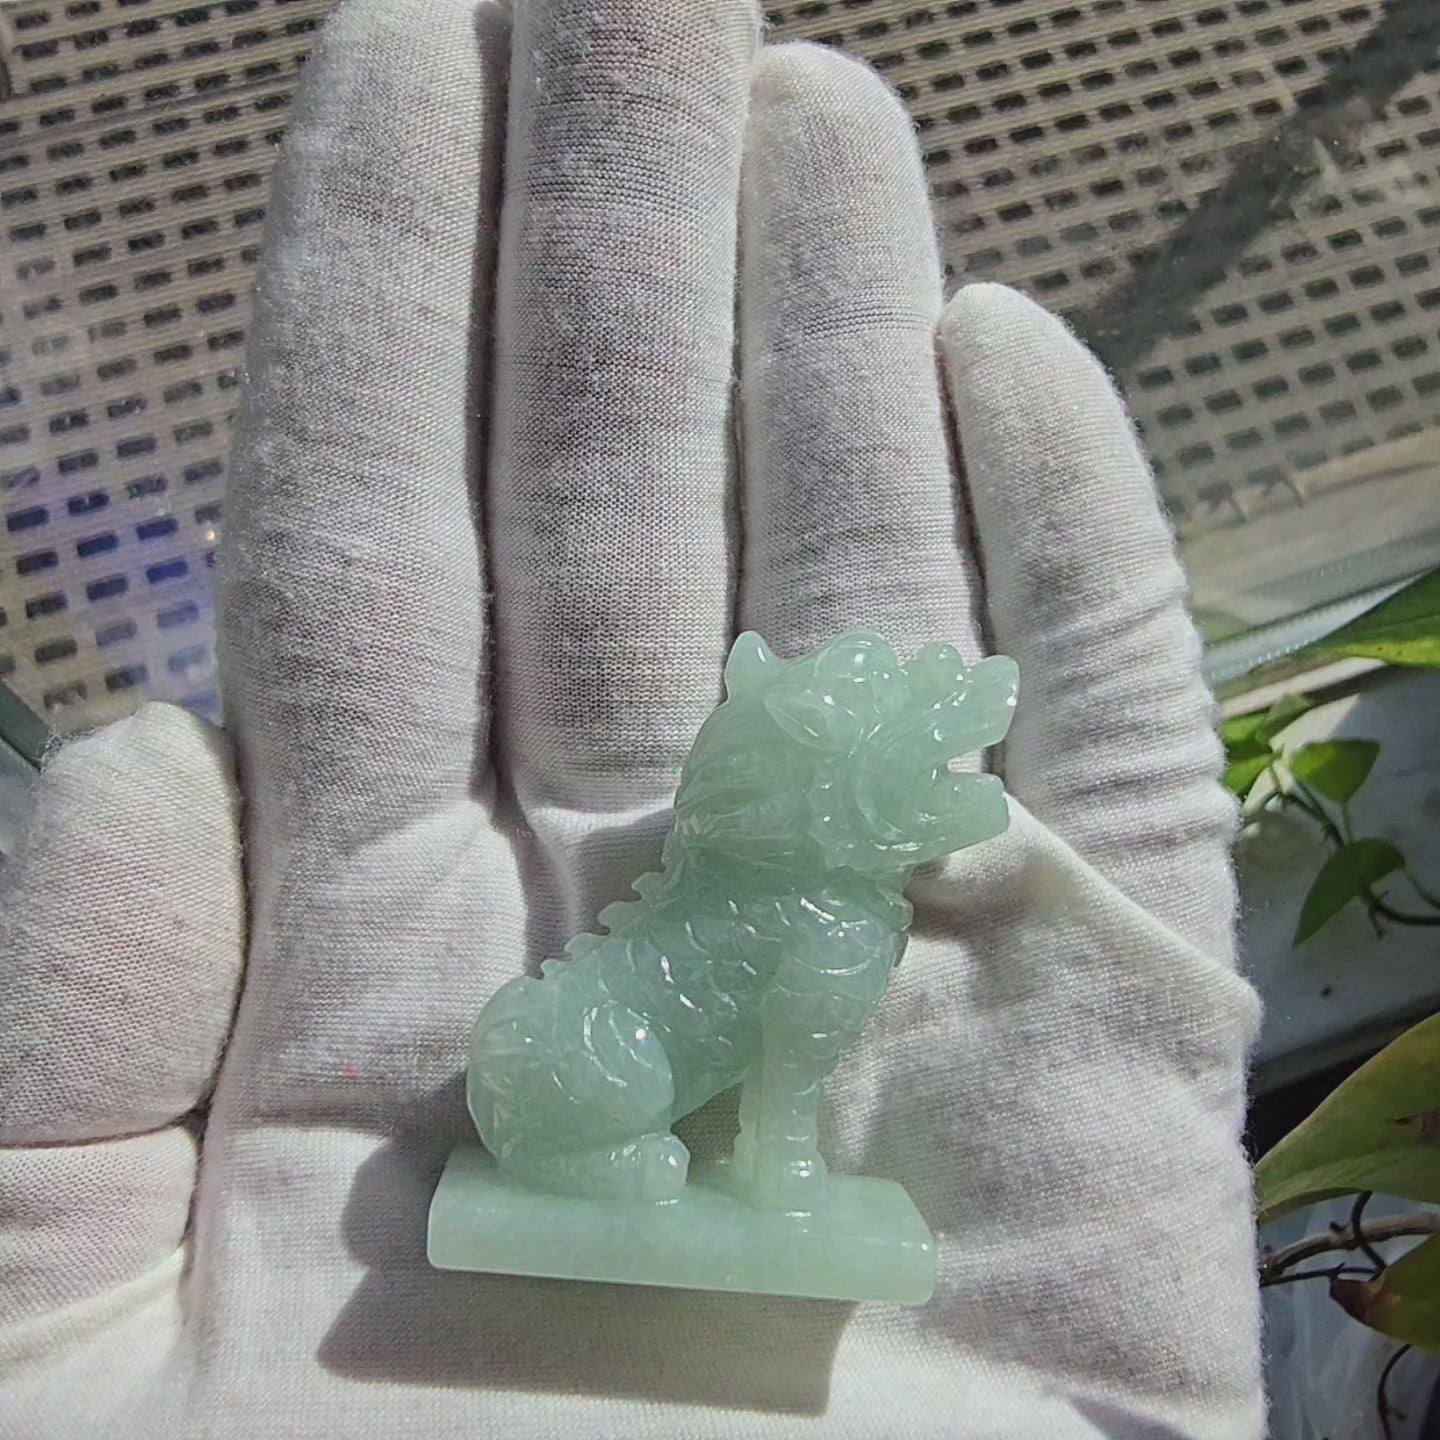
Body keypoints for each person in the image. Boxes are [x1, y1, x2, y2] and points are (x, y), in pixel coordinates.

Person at [0, 1, 1264, 1435]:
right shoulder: (793, 910)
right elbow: (783, 1075)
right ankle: (595, 1162)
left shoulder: (820, 909)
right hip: (582, 1106)